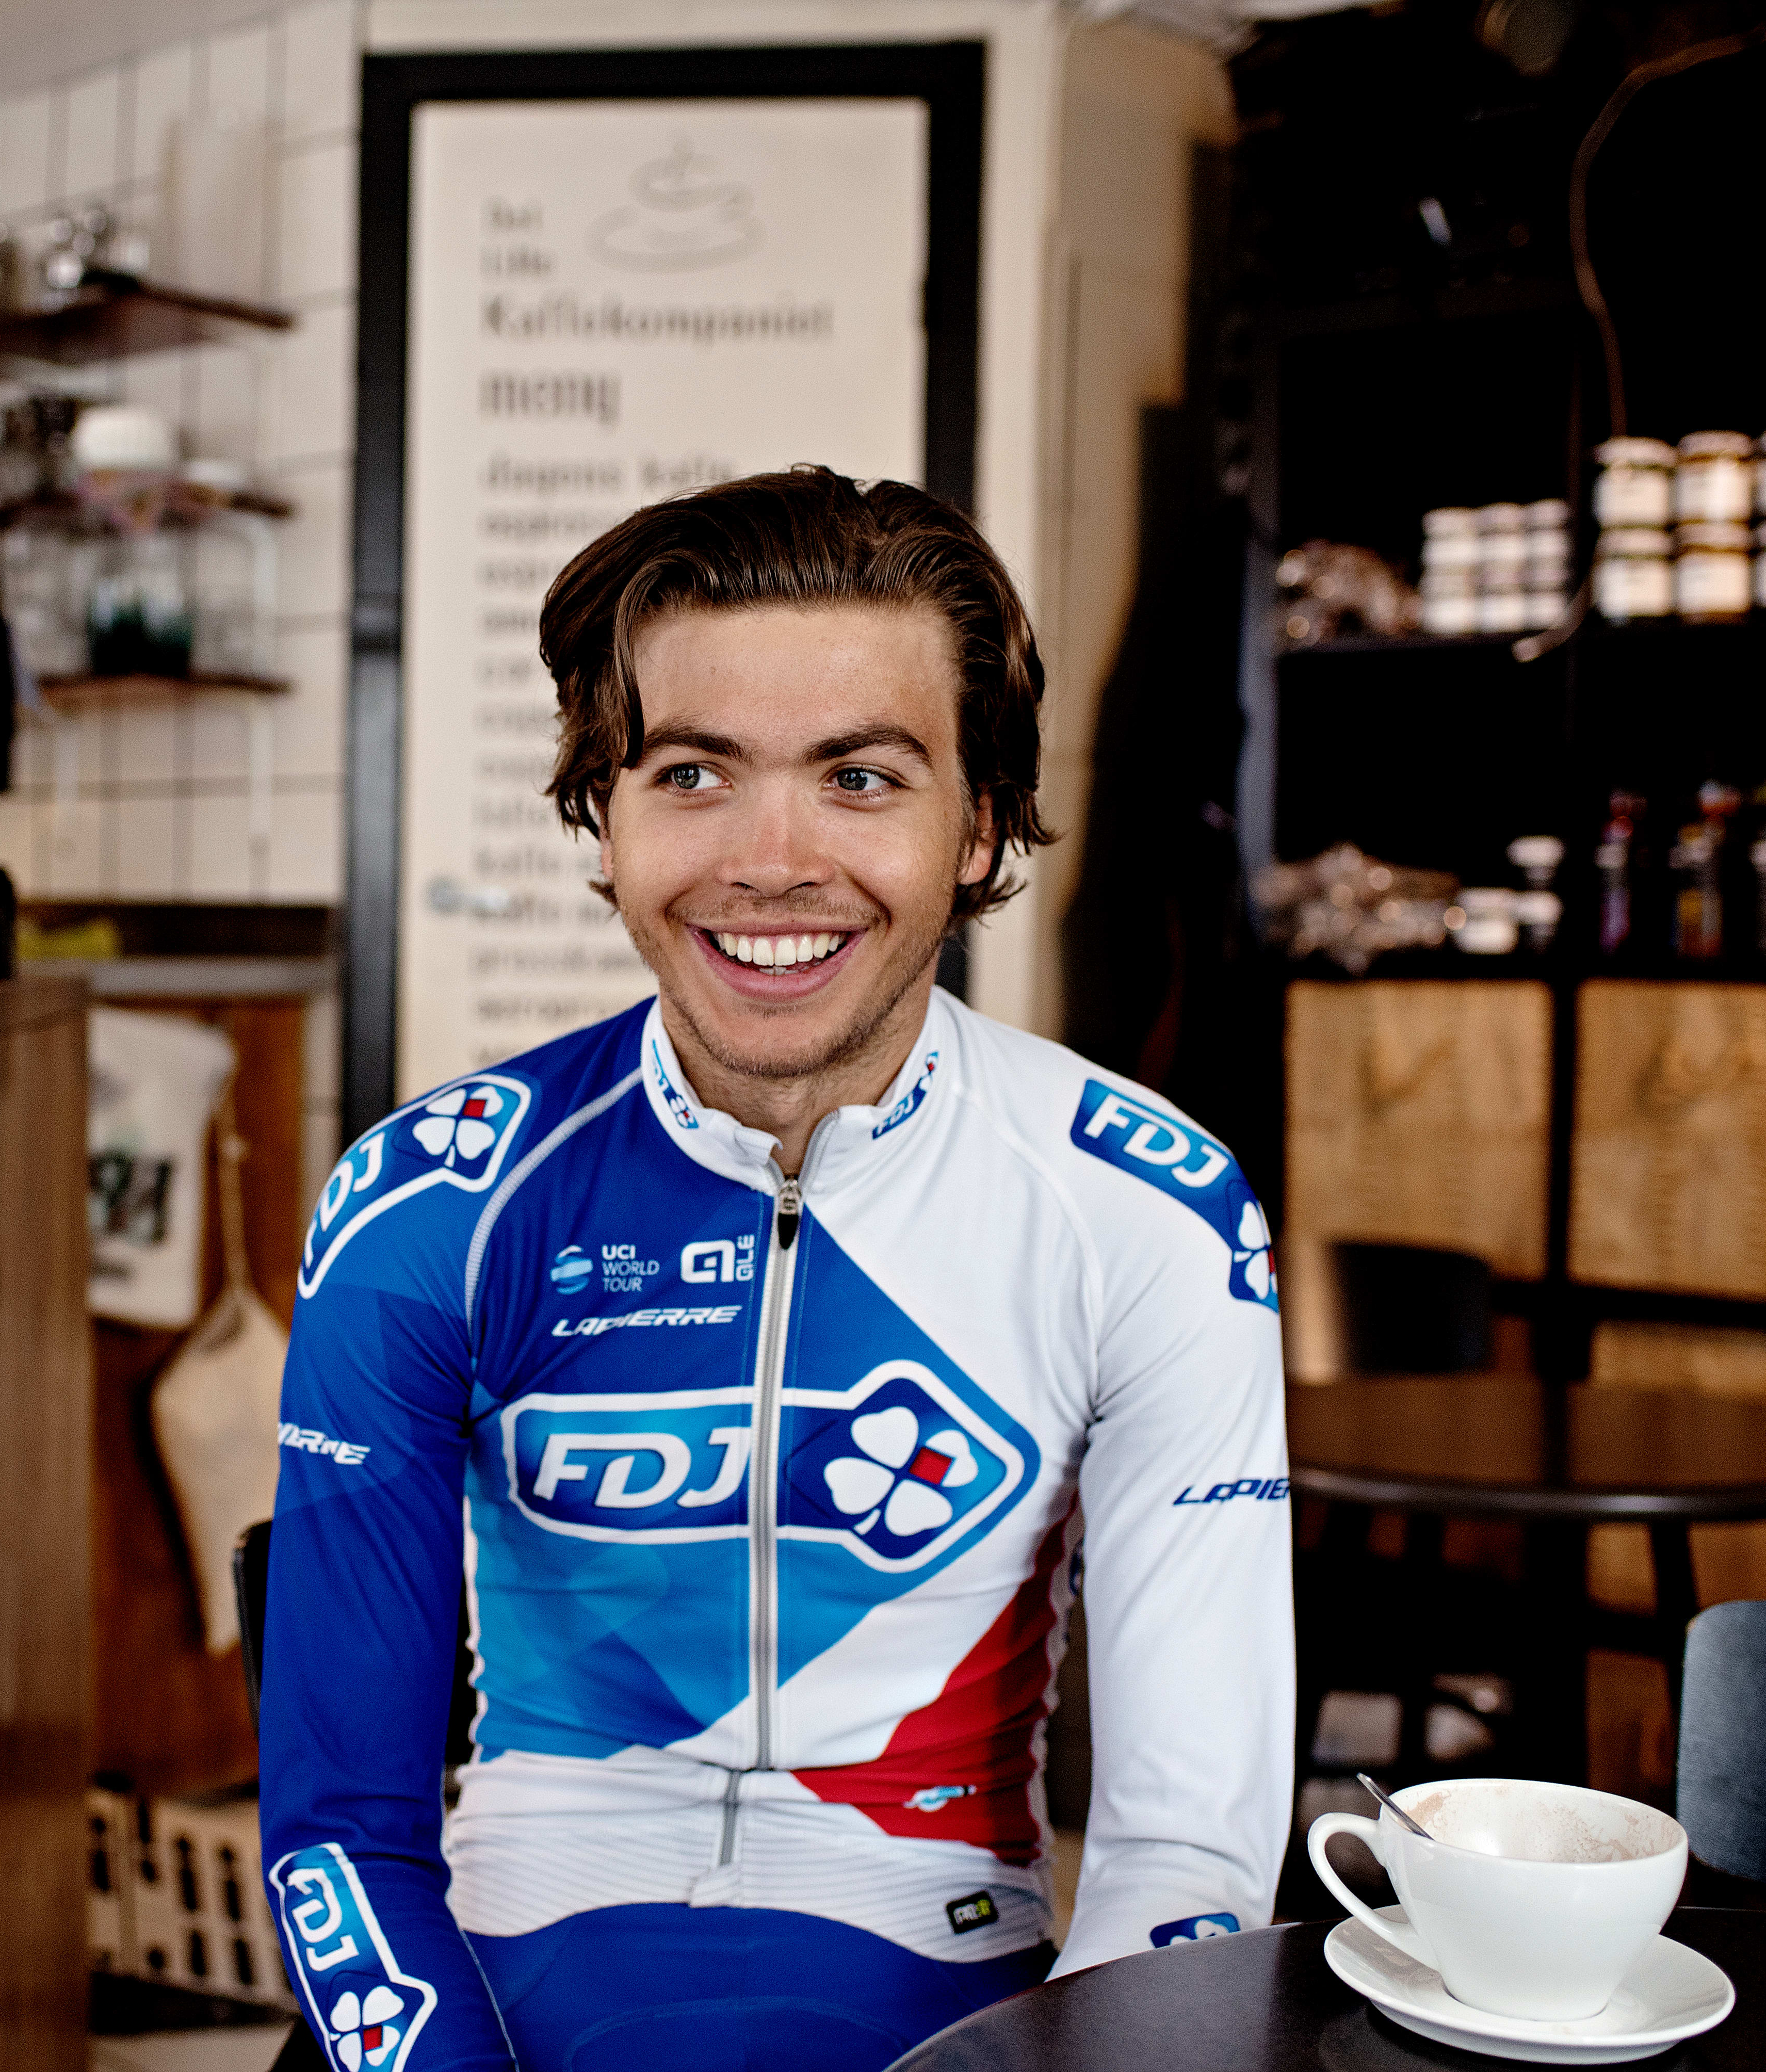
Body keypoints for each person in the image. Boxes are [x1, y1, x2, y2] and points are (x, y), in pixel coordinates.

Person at [257, 468, 1291, 2072]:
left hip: (946, 1955)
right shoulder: (430, 1204)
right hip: (513, 1941)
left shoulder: (1145, 1211)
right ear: (604, 818)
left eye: (861, 778)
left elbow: (1183, 1855)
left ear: (980, 823)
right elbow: (340, 1835)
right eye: (693, 773)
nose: (771, 860)